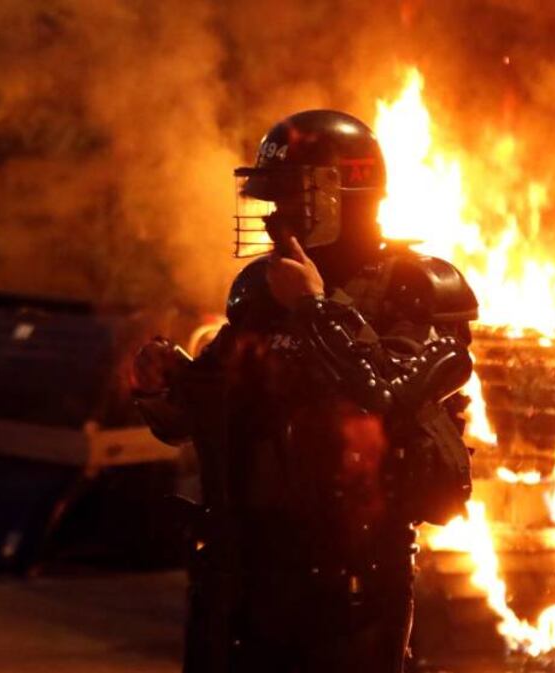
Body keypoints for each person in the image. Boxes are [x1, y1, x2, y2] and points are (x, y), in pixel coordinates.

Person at [132, 110, 478, 673]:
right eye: (271, 201)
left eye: (293, 201)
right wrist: (163, 384)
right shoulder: (262, 291)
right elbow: (200, 414)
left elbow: (384, 394)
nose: (275, 219)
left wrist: (315, 308)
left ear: (346, 195)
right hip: (241, 575)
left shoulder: (416, 288)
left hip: (351, 587)